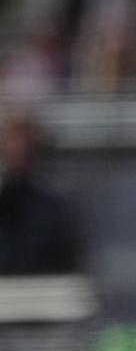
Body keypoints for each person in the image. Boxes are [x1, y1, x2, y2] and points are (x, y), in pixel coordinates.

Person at [0, 111, 84, 275]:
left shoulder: (55, 208)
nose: (19, 153)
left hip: (41, 290)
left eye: (25, 147)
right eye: (13, 146)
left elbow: (65, 259)